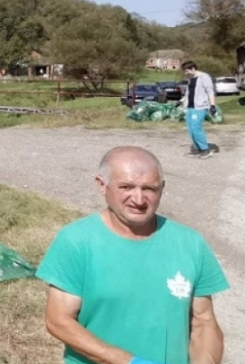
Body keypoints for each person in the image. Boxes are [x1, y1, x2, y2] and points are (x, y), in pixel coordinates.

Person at [37, 146, 228, 364]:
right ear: (102, 185)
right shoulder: (76, 241)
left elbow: (204, 322)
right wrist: (129, 362)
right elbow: (58, 320)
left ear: (162, 188)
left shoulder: (190, 243)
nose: (138, 199)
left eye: (149, 189)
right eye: (126, 187)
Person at [181, 61, 216, 159]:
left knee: (196, 127)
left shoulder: (204, 77)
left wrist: (212, 105)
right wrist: (181, 101)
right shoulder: (191, 79)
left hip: (200, 107)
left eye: (187, 71)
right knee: (190, 129)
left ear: (193, 68)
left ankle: (205, 149)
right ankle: (198, 149)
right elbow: (189, 93)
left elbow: (210, 91)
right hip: (190, 107)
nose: (185, 73)